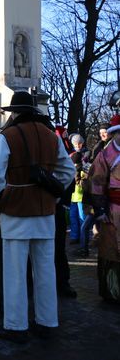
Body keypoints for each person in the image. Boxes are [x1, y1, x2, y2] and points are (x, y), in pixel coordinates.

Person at [0, 91, 75, 343]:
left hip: (15, 213)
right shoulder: (50, 136)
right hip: (44, 211)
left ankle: (16, 326)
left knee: (15, 272)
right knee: (45, 269)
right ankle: (47, 322)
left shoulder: (8, 136)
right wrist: (52, 195)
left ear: (15, 112)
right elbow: (68, 172)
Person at [87, 114, 120, 303]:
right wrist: (100, 211)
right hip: (112, 210)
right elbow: (96, 183)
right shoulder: (105, 155)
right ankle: (112, 291)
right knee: (111, 250)